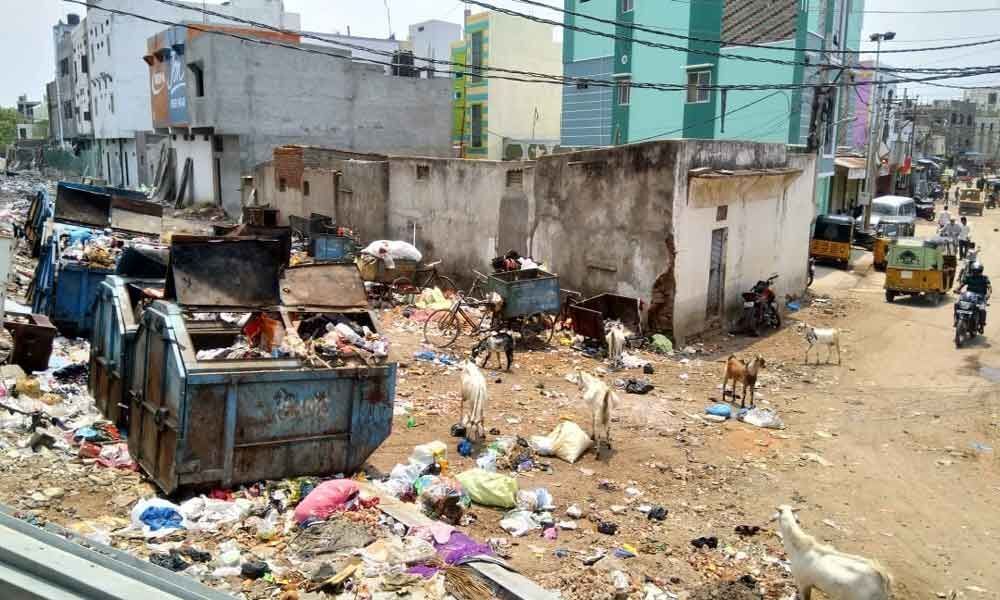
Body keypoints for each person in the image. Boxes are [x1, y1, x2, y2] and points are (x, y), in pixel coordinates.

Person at [957, 263, 992, 332]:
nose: (975, 273)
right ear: (971, 270)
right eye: (974, 271)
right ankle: (956, 319)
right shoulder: (968, 277)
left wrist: (988, 294)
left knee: (982, 309)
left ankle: (981, 325)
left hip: (980, 297)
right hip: (969, 296)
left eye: (977, 271)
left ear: (981, 271)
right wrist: (957, 289)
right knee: (957, 304)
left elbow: (989, 287)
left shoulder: (984, 278)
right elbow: (962, 284)